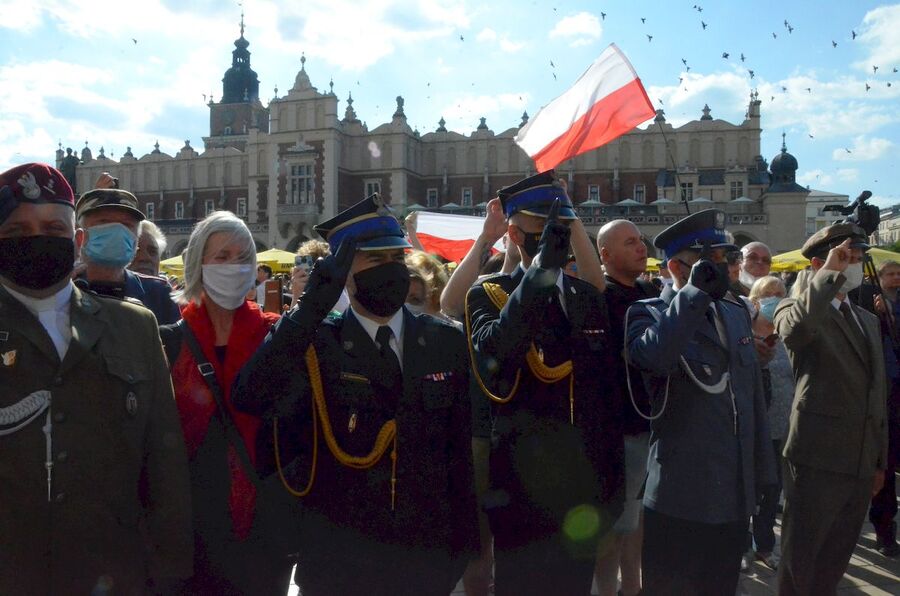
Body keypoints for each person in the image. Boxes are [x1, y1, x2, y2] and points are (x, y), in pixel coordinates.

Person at [233, 193, 478, 595]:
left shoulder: (443, 340)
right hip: (340, 561)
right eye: (376, 261)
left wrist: (459, 553)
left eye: (397, 260)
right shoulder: (317, 342)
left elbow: (458, 456)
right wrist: (310, 307)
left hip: (425, 558)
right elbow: (251, 394)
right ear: (345, 272)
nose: (392, 271)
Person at [0, 162, 193, 593]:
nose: (37, 239)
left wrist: (170, 571)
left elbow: (164, 461)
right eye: (17, 231)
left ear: (78, 240)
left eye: (53, 227)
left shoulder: (134, 325)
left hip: (112, 571)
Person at [465, 170, 624, 596]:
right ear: (516, 235)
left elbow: (604, 394)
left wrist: (612, 486)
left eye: (564, 225)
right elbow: (495, 360)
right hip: (522, 491)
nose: (557, 234)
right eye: (545, 225)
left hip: (584, 487)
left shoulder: (586, 297)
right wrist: (539, 274)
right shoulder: (489, 294)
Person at [626, 208, 776, 596]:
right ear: (676, 266)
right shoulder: (646, 314)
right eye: (708, 262)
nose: (723, 268)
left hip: (733, 492)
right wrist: (692, 294)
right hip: (681, 494)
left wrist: (761, 470)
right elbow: (655, 358)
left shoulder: (736, 311)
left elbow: (752, 396)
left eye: (726, 259)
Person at [158, 211, 294, 594]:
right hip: (189, 524)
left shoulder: (274, 335)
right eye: (222, 256)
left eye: (242, 257)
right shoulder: (167, 341)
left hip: (262, 528)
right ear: (198, 263)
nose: (233, 267)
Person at [774, 224, 888, 595]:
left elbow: (877, 394)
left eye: (857, 257)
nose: (854, 264)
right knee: (801, 561)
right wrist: (827, 275)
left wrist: (879, 461)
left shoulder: (867, 319)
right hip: (817, 461)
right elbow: (795, 331)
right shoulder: (794, 306)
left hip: (859, 463)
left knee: (834, 562)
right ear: (822, 264)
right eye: (847, 257)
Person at [594, 219, 657, 596]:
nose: (641, 248)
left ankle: (632, 588)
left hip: (652, 425)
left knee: (637, 525)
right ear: (605, 254)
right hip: (619, 429)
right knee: (614, 527)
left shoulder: (649, 292)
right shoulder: (600, 296)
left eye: (641, 241)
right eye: (630, 242)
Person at [746, 275, 795, 570]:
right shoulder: (742, 332)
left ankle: (764, 545)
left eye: (780, 293)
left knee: (772, 489)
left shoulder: (788, 333)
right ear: (755, 300)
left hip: (782, 429)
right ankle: (741, 545)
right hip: (751, 428)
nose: (775, 298)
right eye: (769, 293)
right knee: (746, 490)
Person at [75, 188, 181, 324]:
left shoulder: (158, 293)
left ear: (136, 239)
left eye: (126, 224)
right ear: (80, 235)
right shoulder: (63, 290)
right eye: (104, 221)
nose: (117, 231)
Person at [866, 260, 900, 556]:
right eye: (890, 273)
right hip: (885, 387)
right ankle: (884, 531)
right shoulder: (867, 299)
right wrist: (879, 316)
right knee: (886, 462)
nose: (895, 278)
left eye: (898, 273)